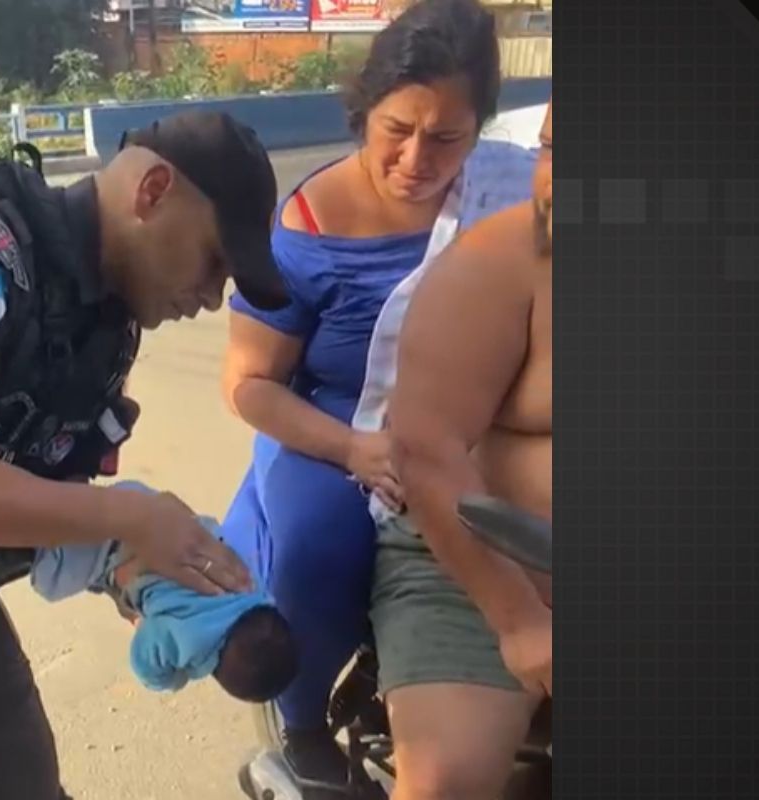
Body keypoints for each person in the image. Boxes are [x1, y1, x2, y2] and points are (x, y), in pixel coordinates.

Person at [0, 110, 290, 800]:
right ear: (153, 190)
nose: (212, 299)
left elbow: (36, 494)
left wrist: (131, 570)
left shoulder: (99, 321)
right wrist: (131, 519)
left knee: (21, 778)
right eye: (214, 261)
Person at [218, 0, 537, 791]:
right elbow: (249, 384)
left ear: (481, 131)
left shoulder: (510, 194)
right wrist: (354, 449)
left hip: (473, 415)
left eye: (447, 138)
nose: (417, 159)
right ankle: (300, 732)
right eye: (398, 129)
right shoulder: (307, 225)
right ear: (364, 110)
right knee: (321, 546)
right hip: (334, 423)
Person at [365, 101, 552, 800]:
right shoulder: (494, 263)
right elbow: (425, 450)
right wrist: (521, 622)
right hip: (482, 573)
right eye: (552, 150)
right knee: (447, 784)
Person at [29, 480, 299, 703]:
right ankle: (29, 536)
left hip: (152, 509)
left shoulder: (252, 587)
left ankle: (60, 490)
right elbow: (145, 665)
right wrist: (175, 678)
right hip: (107, 549)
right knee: (48, 580)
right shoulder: (190, 641)